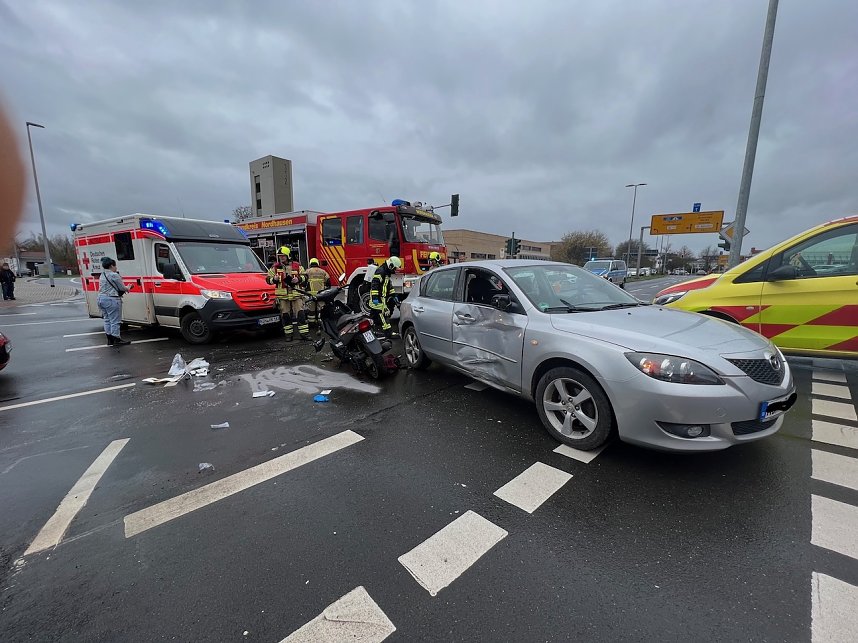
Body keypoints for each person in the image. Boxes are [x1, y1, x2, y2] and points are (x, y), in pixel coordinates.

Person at [266, 246, 309, 341]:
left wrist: (298, 279)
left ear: (288, 256)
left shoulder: (297, 266)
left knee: (301, 314)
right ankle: (288, 336)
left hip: (296, 295)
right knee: (285, 316)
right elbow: (268, 280)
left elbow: (305, 276)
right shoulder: (275, 267)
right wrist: (274, 279)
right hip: (283, 296)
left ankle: (304, 334)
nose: (281, 258)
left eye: (283, 256)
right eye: (280, 256)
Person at [97, 257, 132, 345]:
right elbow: (122, 288)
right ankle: (116, 338)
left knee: (107, 319)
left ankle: (109, 339)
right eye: (115, 265)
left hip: (101, 298)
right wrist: (128, 287)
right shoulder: (114, 275)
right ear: (112, 265)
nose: (116, 268)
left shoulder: (102, 274)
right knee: (115, 320)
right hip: (111, 299)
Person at [369, 256, 401, 336]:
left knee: (374, 316)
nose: (394, 271)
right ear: (391, 266)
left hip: (381, 298)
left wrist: (394, 296)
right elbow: (375, 285)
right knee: (383, 314)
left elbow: (388, 286)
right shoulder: (381, 271)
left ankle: (371, 331)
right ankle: (388, 333)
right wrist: (375, 298)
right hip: (378, 298)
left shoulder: (386, 273)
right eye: (394, 268)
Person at [305, 257, 330, 330]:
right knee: (321, 309)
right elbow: (328, 282)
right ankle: (321, 324)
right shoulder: (323, 271)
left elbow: (303, 282)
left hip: (310, 294)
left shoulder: (307, 271)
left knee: (311, 310)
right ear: (317, 263)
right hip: (321, 294)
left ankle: (312, 324)